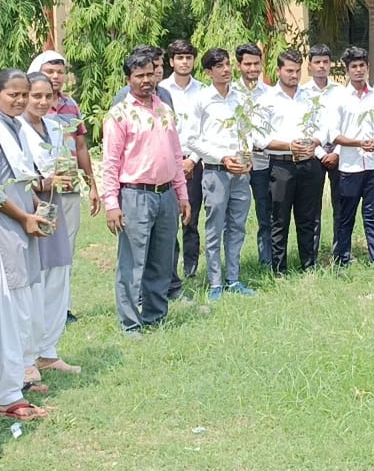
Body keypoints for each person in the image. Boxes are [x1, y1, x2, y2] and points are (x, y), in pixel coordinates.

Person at [0, 69, 52, 421]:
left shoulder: (16, 127)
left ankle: (16, 378)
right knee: (7, 310)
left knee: (23, 307)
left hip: (22, 227)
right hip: (3, 231)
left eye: (23, 94)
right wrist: (23, 217)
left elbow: (19, 180)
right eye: (12, 95)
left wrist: (36, 210)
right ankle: (7, 394)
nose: (19, 100)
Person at [102, 48, 192, 333]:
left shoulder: (164, 109)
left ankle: (156, 315)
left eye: (149, 75)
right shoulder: (119, 114)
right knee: (132, 263)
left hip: (165, 194)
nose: (145, 81)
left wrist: (183, 195)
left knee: (161, 259)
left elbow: (176, 155)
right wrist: (112, 205)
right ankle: (130, 324)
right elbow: (110, 163)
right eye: (138, 76)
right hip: (135, 195)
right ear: (128, 79)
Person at [19, 73, 84, 376]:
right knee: (36, 281)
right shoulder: (15, 130)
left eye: (48, 97)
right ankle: (28, 356)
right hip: (28, 209)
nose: (43, 102)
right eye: (36, 96)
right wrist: (44, 181)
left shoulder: (57, 127)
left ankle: (48, 350)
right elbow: (12, 177)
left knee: (58, 273)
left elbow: (65, 162)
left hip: (55, 203)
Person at [29, 51, 101, 325]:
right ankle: (41, 307)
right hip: (40, 191)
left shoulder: (70, 104)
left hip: (69, 187)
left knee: (65, 248)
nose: (56, 77)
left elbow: (80, 145)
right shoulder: (30, 108)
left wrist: (92, 183)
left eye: (60, 72)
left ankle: (63, 307)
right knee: (41, 249)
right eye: (50, 72)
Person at [186, 48, 260, 299]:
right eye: (219, 66)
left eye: (228, 64)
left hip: (240, 172)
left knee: (237, 226)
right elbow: (192, 139)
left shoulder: (239, 98)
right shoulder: (201, 99)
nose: (226, 69)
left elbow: (247, 131)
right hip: (216, 172)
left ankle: (233, 279)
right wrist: (222, 158)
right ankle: (215, 282)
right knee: (215, 227)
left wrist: (247, 156)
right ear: (208, 72)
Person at [262, 50, 328, 273]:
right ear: (278, 70)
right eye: (289, 70)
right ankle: (279, 270)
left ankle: (309, 266)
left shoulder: (311, 98)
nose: (294, 75)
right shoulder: (267, 99)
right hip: (281, 165)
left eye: (298, 71)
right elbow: (259, 138)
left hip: (309, 164)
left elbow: (324, 127)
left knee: (308, 218)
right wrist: (289, 146)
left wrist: (315, 141)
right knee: (279, 219)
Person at [328, 47, 374, 264]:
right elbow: (334, 134)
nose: (359, 70)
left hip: (372, 166)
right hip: (349, 167)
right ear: (347, 70)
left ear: (368, 68)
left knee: (372, 215)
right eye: (354, 66)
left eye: (362, 65)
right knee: (346, 216)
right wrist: (358, 142)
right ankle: (342, 258)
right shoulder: (340, 98)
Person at [159, 39, 204, 288]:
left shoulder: (203, 90)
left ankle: (191, 270)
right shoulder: (161, 91)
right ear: (171, 62)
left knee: (191, 218)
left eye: (188, 57)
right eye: (179, 57)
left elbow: (205, 129)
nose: (184, 62)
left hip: (194, 161)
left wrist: (192, 160)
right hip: (167, 162)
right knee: (168, 220)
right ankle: (169, 270)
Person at [235, 44, 276, 267]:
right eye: (247, 64)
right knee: (235, 218)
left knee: (266, 214)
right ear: (238, 65)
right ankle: (233, 265)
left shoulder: (270, 94)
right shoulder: (231, 93)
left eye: (256, 63)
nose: (252, 68)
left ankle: (266, 261)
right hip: (237, 164)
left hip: (263, 163)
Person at [300, 44, 344, 207]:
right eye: (317, 62)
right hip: (313, 154)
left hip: (338, 153)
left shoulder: (341, 91)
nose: (321, 66)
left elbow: (346, 125)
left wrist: (337, 153)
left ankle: (340, 234)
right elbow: (303, 126)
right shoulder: (302, 93)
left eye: (325, 62)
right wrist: (319, 153)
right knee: (312, 204)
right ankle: (314, 235)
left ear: (330, 64)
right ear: (309, 66)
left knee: (341, 203)